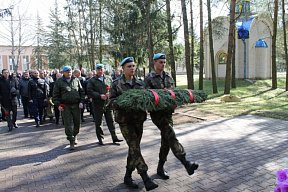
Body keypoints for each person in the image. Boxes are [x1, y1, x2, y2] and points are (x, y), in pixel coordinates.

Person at [144, 53, 199, 180]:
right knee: (171, 136)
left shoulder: (168, 76)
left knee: (166, 142)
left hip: (168, 113)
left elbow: (173, 92)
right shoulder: (149, 79)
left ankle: (160, 168)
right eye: (160, 62)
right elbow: (147, 98)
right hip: (158, 114)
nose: (162, 64)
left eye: (164, 62)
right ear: (154, 63)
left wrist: (175, 102)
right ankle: (186, 163)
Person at [110, 57, 158, 191]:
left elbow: (147, 98)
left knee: (133, 150)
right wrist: (121, 102)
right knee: (135, 148)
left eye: (133, 66)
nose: (132, 68)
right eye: (129, 66)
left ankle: (127, 176)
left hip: (138, 120)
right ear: (123, 68)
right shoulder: (116, 84)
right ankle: (145, 177)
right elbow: (110, 102)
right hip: (125, 121)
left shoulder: (140, 83)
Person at [87, 64, 123, 145]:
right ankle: (100, 138)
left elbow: (112, 88)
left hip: (108, 103)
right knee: (98, 121)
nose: (100, 71)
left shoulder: (108, 78)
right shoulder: (92, 80)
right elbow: (89, 91)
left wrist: (110, 94)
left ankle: (114, 137)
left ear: (104, 70)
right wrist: (99, 95)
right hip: (98, 103)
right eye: (98, 70)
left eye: (101, 69)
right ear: (96, 70)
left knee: (111, 120)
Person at [52, 66, 84, 150]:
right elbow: (55, 95)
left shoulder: (76, 80)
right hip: (65, 106)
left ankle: (75, 134)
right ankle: (71, 140)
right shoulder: (59, 82)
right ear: (63, 73)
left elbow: (82, 92)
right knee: (68, 123)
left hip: (76, 105)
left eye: (70, 72)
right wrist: (58, 105)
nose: (69, 73)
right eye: (67, 72)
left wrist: (81, 102)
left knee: (77, 122)